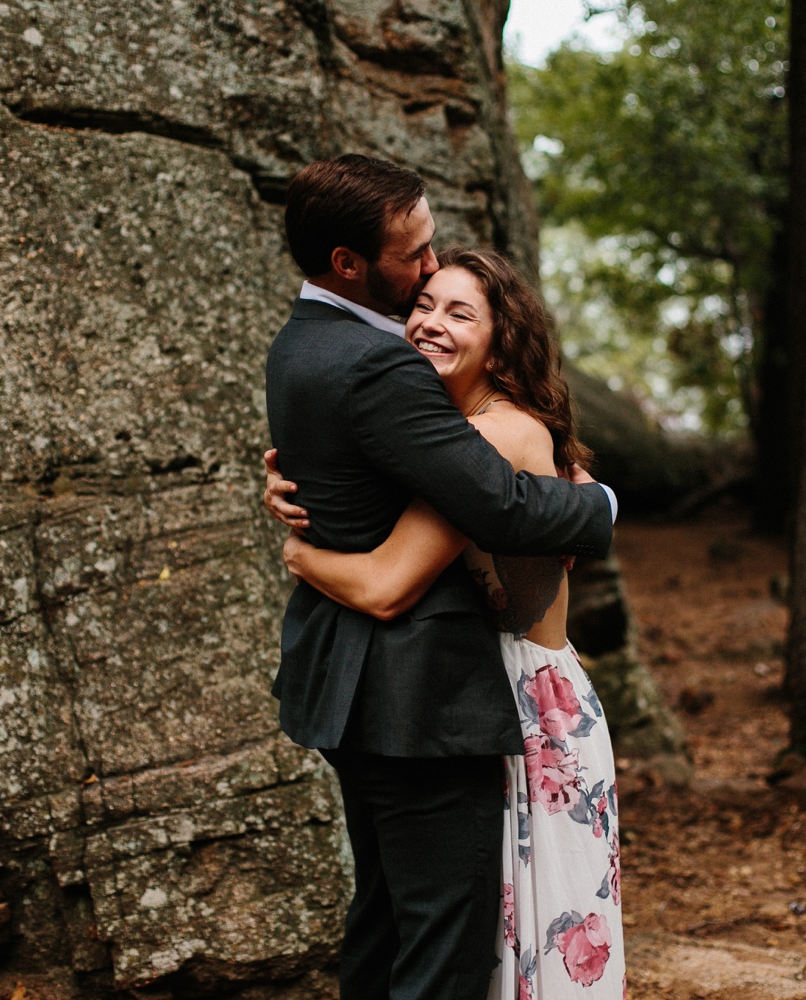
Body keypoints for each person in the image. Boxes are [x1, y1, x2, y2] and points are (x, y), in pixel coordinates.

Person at [264, 155, 617, 1000]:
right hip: (417, 704)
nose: (426, 276)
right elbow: (494, 505)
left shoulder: (300, 345)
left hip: (388, 696)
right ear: (348, 263)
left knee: (394, 930)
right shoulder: (385, 373)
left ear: (503, 336)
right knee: (440, 951)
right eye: (417, 270)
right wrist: (600, 504)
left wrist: (301, 550)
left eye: (458, 306)